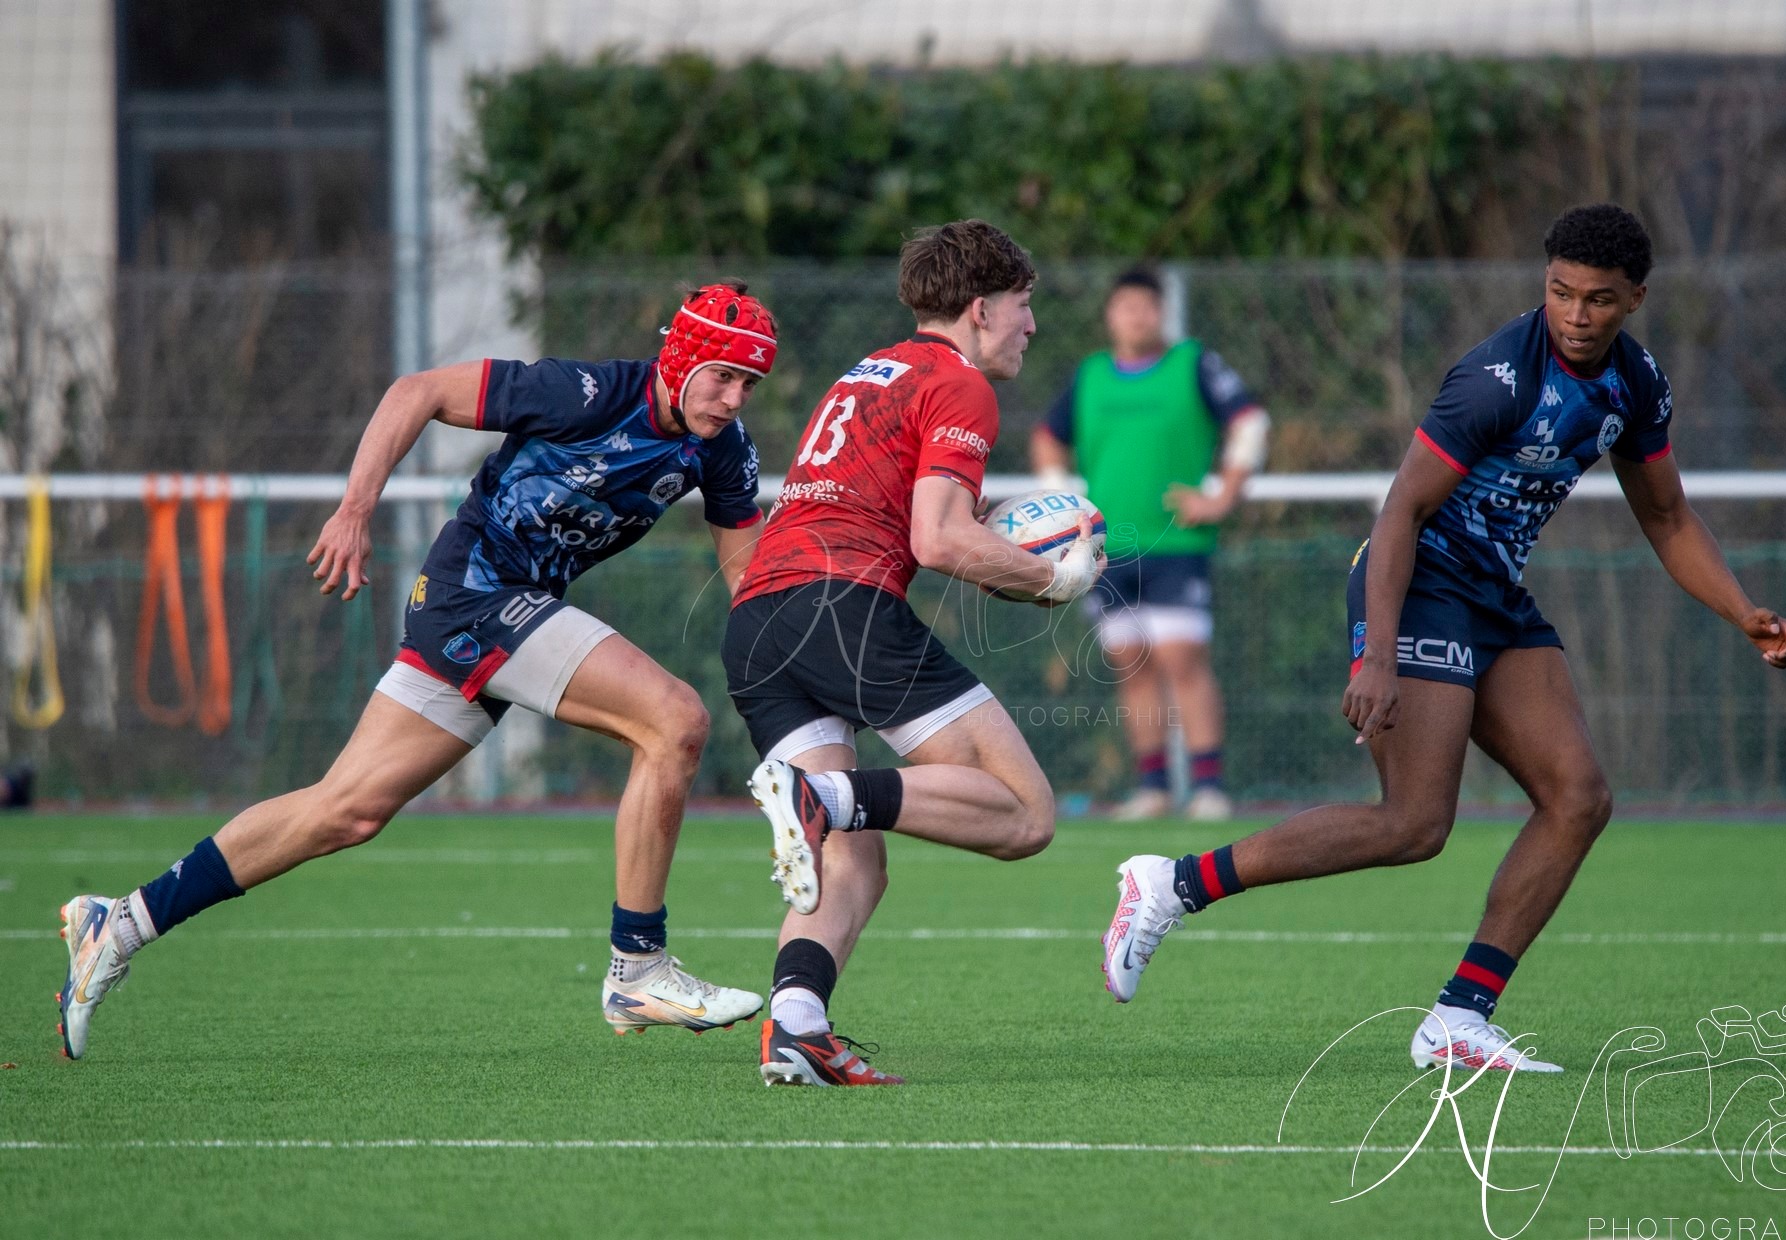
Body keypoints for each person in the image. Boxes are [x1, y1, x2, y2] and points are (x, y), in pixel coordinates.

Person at [1099, 205, 1786, 1073]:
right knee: (1413, 824)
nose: (1577, 314)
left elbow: (1665, 514)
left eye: (1599, 300)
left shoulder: (1638, 385)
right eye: (1561, 292)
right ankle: (1170, 885)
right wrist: (1377, 655)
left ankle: (1458, 1019)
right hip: (1420, 580)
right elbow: (1401, 509)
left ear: (1636, 300)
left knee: (1580, 797)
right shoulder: (1497, 378)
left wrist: (1742, 611)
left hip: (1494, 594)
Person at [56, 282, 781, 1059]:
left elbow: (747, 583)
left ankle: (122, 920)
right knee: (674, 719)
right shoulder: (587, 392)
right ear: (681, 357)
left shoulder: (724, 451)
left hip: (497, 613)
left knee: (345, 810)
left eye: (749, 384)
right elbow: (419, 391)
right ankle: (638, 966)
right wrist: (355, 509)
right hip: (476, 597)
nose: (734, 397)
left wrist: (797, 657)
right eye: (722, 375)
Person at [720, 220, 1103, 1087]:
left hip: (758, 619)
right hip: (840, 606)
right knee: (1024, 814)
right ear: (978, 308)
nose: (1031, 324)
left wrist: (1000, 552)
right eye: (1023, 304)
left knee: (854, 852)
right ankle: (820, 797)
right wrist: (1051, 580)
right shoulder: (961, 384)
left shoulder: (870, 369)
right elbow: (937, 539)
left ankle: (796, 1025)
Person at [1031, 267, 1269, 821]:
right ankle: (1154, 787)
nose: (1137, 316)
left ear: (1161, 312)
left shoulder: (1194, 364)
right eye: (1125, 306)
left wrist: (1224, 494)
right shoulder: (1090, 375)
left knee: (1182, 659)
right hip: (1109, 546)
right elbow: (1048, 436)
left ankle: (1208, 787)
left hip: (1177, 540)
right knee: (1129, 661)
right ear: (1110, 315)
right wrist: (1060, 502)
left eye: (1147, 306)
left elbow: (1250, 421)